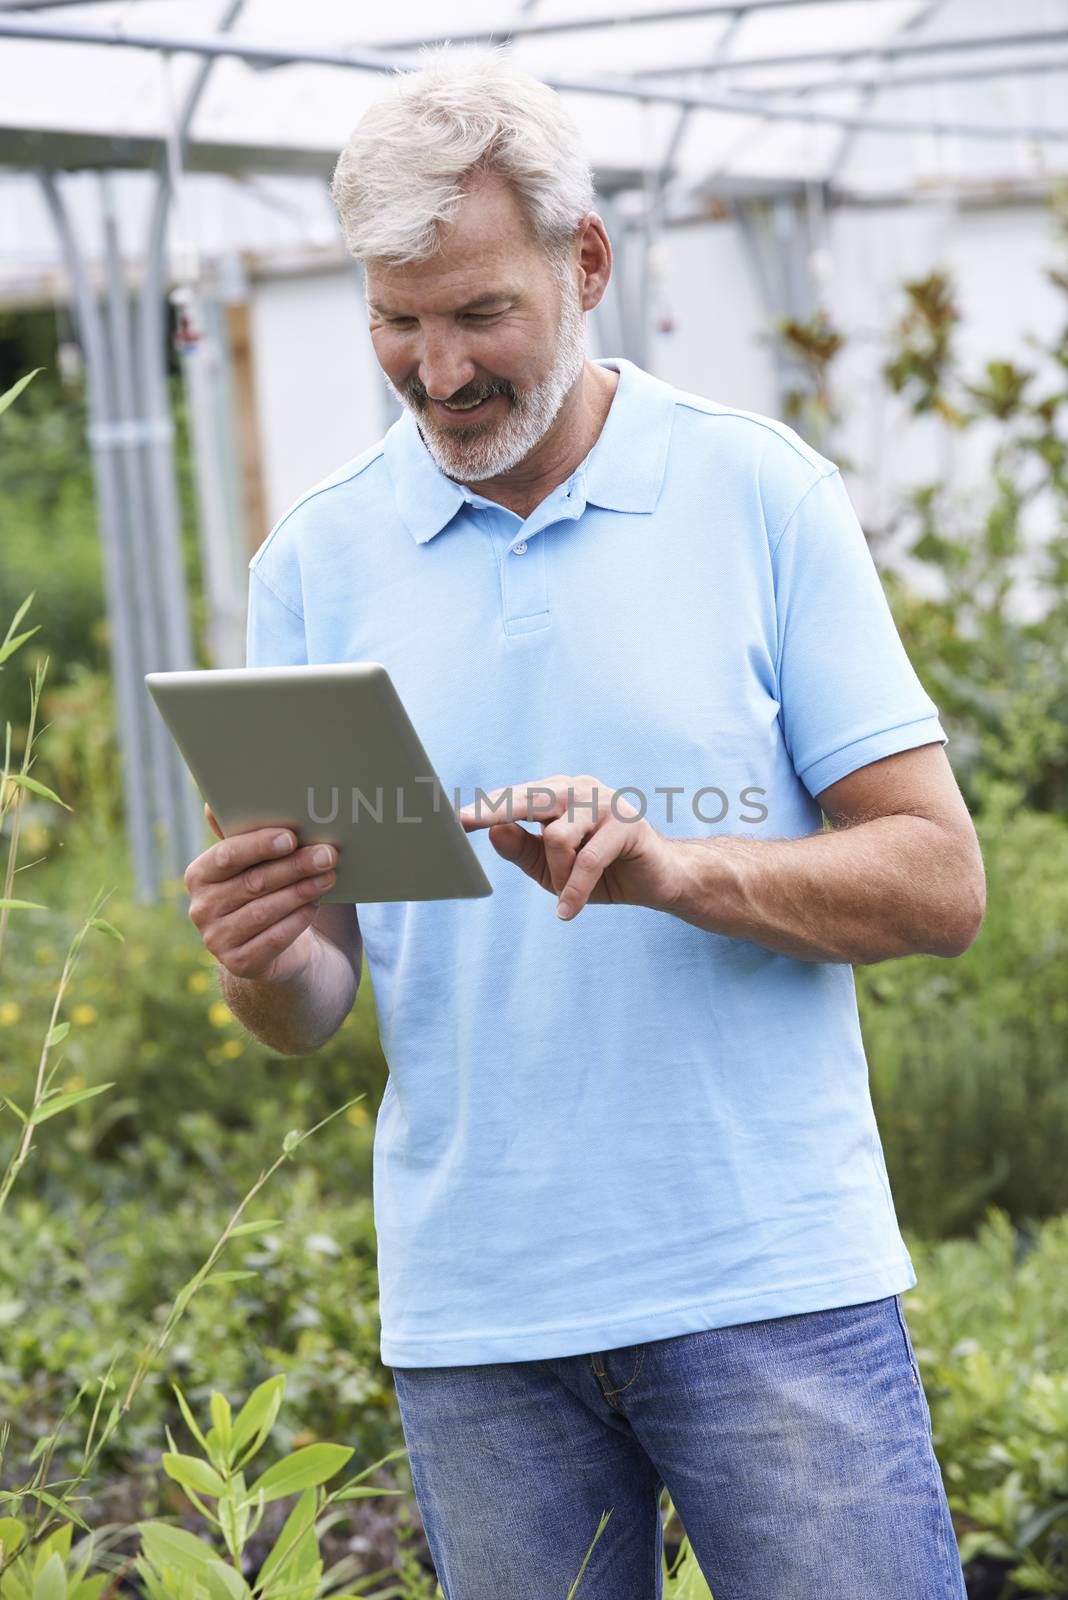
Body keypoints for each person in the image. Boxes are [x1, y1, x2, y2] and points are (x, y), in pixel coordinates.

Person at [183, 48, 985, 1600]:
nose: (437, 371)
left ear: (587, 263)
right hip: (482, 1323)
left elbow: (940, 880)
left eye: (480, 313)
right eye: (395, 323)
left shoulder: (759, 495)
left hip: (773, 1289)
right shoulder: (318, 562)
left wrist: (675, 870)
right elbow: (317, 1003)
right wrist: (262, 956)